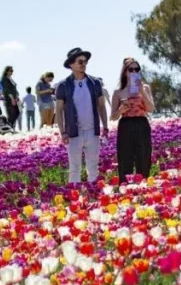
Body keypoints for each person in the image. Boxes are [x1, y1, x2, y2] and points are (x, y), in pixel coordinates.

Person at [55, 47, 108, 184]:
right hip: (74, 133)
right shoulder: (63, 86)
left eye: (85, 61)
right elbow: (59, 111)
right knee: (74, 168)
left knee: (93, 168)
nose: (83, 64)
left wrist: (105, 127)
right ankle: (74, 199)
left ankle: (94, 196)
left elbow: (101, 106)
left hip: (92, 131)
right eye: (80, 61)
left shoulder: (95, 83)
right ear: (71, 65)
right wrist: (63, 132)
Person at [110, 57, 155, 183]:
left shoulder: (145, 88)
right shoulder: (118, 92)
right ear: (125, 72)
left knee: (144, 156)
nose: (134, 72)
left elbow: (150, 108)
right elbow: (112, 116)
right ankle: (125, 187)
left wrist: (142, 92)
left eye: (137, 69)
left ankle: (144, 184)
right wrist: (120, 110)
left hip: (141, 123)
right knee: (125, 158)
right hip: (126, 124)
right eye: (131, 69)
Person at [0, 66, 20, 130]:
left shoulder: (10, 78)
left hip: (14, 98)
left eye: (12, 71)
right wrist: (12, 99)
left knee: (17, 112)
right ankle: (9, 127)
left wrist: (16, 96)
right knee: (11, 115)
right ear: (6, 71)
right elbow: (6, 90)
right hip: (9, 99)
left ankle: (10, 126)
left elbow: (14, 88)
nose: (12, 72)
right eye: (10, 71)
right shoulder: (4, 79)